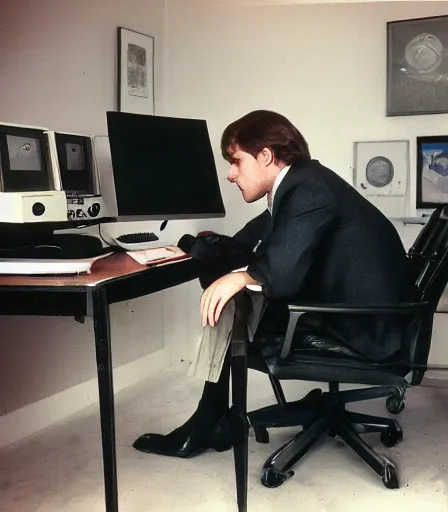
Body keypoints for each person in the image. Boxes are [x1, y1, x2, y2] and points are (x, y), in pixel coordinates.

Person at [132, 110, 412, 458]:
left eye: (235, 161)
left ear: (265, 155)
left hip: (368, 332)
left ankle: (207, 422)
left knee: (234, 302)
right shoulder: (299, 184)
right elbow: (246, 242)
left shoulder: (309, 188)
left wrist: (237, 278)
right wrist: (189, 247)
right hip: (366, 317)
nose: (230, 174)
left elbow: (279, 274)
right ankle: (210, 420)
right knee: (233, 298)